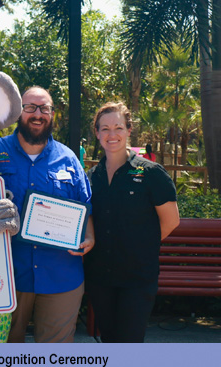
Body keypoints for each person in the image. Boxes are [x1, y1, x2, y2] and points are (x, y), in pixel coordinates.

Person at [0, 86, 95, 343]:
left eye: (44, 108)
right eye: (30, 107)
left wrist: (90, 238)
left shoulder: (68, 159)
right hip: (5, 274)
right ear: (18, 112)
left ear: (52, 114)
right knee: (4, 348)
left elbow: (86, 208)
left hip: (60, 275)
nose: (38, 114)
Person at [84, 102, 180, 343]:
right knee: (109, 340)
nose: (112, 134)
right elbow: (90, 218)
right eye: (104, 129)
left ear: (128, 130)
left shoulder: (151, 174)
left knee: (129, 343)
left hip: (136, 279)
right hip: (101, 277)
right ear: (97, 133)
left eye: (118, 127)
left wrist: (139, 246)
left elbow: (171, 221)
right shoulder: (91, 177)